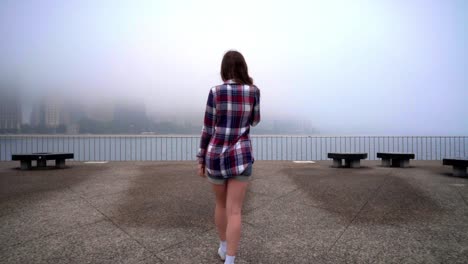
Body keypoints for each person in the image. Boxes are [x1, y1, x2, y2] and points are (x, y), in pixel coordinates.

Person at [197, 50, 261, 264]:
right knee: (235, 210)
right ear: (244, 68)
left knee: (221, 205)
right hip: (241, 155)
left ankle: (223, 246)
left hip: (215, 156)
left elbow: (207, 128)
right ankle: (230, 261)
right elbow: (255, 121)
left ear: (224, 69)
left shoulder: (215, 92)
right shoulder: (253, 91)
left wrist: (200, 159)